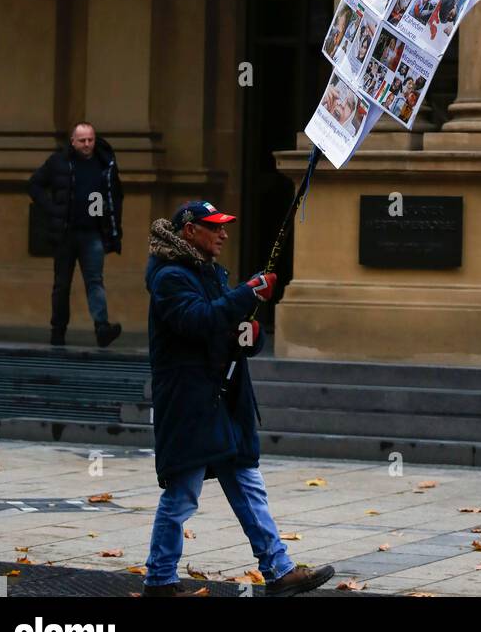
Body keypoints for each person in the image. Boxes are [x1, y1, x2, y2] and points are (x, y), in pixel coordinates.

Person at [144, 200, 334, 597]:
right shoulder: (170, 277)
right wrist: (246, 294)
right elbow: (197, 321)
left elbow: (227, 328)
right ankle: (160, 579)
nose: (224, 234)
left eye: (224, 227)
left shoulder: (210, 273)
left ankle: (279, 571)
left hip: (225, 401)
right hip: (192, 404)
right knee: (182, 494)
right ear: (190, 231)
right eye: (215, 227)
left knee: (249, 485)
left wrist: (249, 332)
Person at [28, 121, 123, 348]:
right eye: (82, 140)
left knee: (95, 281)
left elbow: (113, 195)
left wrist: (104, 221)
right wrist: (52, 209)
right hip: (66, 234)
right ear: (73, 141)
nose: (87, 144)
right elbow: (35, 185)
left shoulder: (104, 163)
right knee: (62, 284)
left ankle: (102, 328)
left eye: (90, 139)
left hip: (92, 234)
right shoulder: (59, 161)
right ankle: (58, 331)